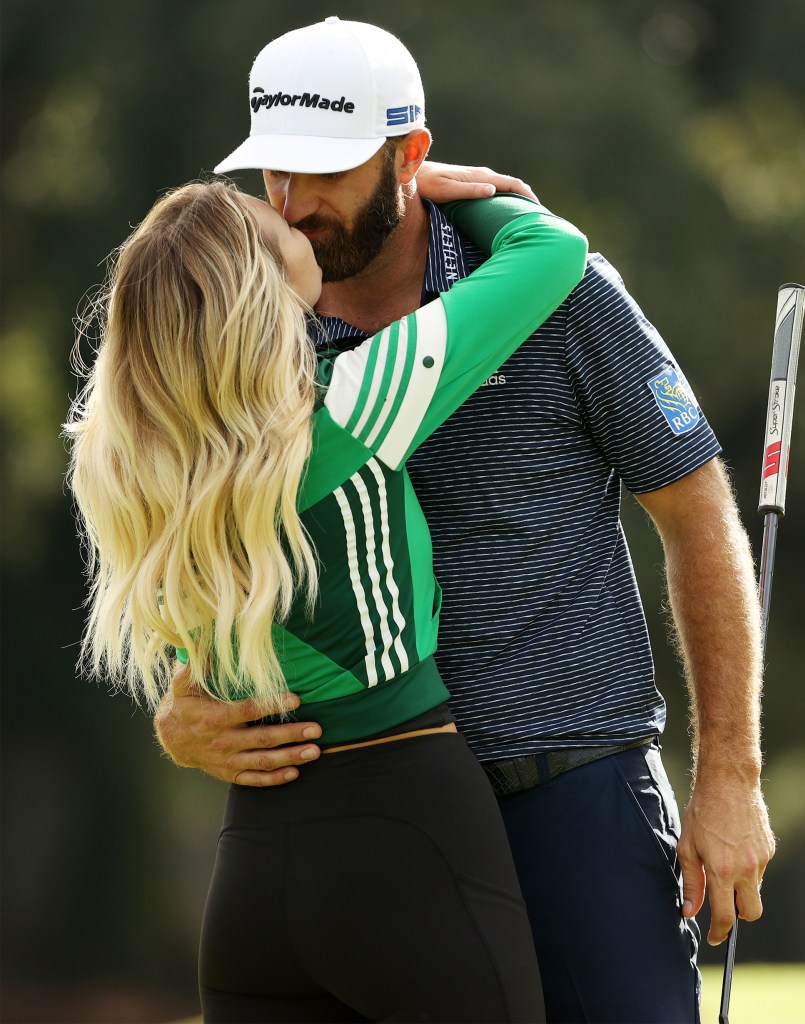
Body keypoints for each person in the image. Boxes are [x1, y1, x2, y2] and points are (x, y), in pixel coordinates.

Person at [155, 17, 777, 1023]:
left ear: (409, 156)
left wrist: (729, 774)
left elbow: (697, 511)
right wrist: (183, 694)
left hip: (570, 794)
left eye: (327, 173)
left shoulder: (568, 301)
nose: (291, 203)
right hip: (358, 810)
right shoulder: (244, 331)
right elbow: (191, 534)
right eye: (274, 172)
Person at [65, 169, 588, 1021]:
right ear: (261, 287)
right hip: (406, 832)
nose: (293, 220)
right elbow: (551, 249)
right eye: (274, 230)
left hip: (249, 874)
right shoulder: (353, 406)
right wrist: (421, 186)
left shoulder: (120, 467)